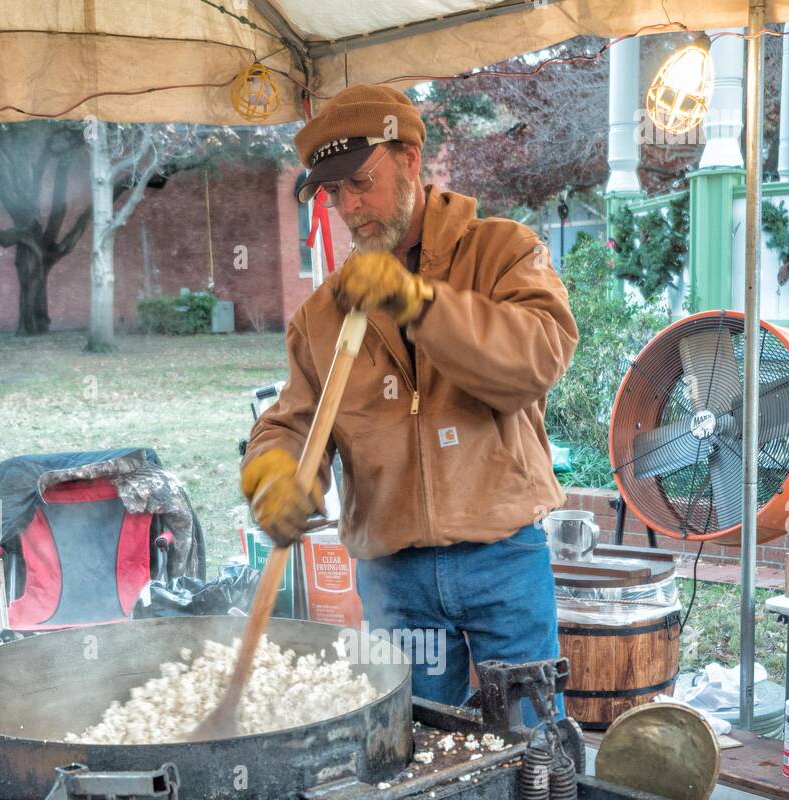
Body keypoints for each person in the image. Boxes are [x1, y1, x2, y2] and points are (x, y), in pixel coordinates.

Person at [240, 84, 578, 715]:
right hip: (395, 577)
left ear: (410, 160)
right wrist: (275, 470)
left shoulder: (502, 252)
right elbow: (293, 419)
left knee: (533, 746)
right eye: (336, 192)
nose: (350, 205)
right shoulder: (322, 314)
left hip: (501, 557)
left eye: (361, 181)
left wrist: (417, 304)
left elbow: (535, 360)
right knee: (412, 752)